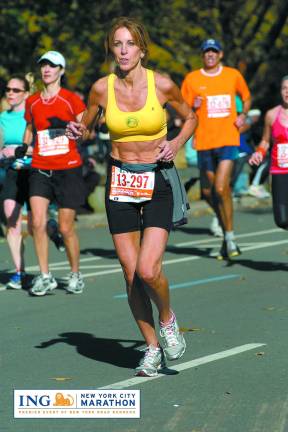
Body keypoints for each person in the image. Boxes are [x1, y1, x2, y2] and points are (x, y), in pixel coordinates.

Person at [67, 17, 197, 377]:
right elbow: (86, 126)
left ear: (142, 49)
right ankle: (152, 348)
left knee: (147, 268)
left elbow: (190, 119)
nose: (123, 51)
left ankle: (168, 319)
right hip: (120, 182)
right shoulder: (100, 89)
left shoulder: (163, 85)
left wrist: (175, 143)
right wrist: (76, 128)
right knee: (129, 274)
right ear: (112, 48)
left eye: (130, 44)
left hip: (156, 182)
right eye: (117, 44)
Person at [18, 50, 87, 296]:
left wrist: (77, 131)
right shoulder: (33, 101)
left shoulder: (71, 100)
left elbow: (85, 129)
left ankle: (76, 273)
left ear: (61, 71)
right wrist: (24, 147)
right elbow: (29, 128)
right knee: (36, 222)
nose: (47, 70)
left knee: (66, 228)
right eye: (44, 66)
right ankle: (45, 275)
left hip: (68, 168)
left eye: (52, 66)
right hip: (40, 166)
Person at [181, 38, 251, 259]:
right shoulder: (192, 79)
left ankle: (229, 236)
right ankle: (226, 236)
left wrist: (243, 114)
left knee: (221, 188)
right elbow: (182, 109)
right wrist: (193, 106)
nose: (210, 54)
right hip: (204, 142)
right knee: (208, 192)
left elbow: (246, 97)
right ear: (202, 55)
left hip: (228, 139)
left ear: (220, 55)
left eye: (214, 51)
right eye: (206, 51)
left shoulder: (232, 75)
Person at [0, 75, 32, 289]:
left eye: (16, 90)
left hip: (36, 170)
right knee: (12, 221)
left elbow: (46, 144)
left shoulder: (33, 116)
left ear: (26, 94)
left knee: (38, 224)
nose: (11, 93)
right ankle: (19, 273)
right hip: (12, 172)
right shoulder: (2, 117)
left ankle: (52, 228)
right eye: (8, 89)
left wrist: (23, 150)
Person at [249, 76, 288, 229]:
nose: (287, 92)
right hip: (279, 171)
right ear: (280, 91)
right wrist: (259, 152)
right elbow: (265, 140)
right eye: (284, 88)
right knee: (282, 220)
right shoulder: (272, 114)